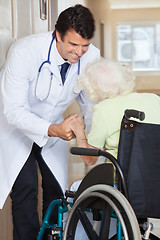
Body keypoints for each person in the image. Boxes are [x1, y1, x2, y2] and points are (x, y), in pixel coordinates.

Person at [0, 4, 100, 240]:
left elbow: (90, 103)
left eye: (84, 46)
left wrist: (88, 140)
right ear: (58, 35)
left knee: (56, 192)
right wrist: (53, 129)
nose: (79, 53)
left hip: (53, 128)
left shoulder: (91, 56)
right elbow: (13, 110)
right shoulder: (24, 51)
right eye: (73, 45)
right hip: (16, 129)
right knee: (26, 190)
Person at [69, 58, 160, 166]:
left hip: (123, 178)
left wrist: (78, 130)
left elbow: (90, 159)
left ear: (93, 88)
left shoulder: (103, 109)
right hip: (156, 174)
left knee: (78, 184)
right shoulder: (154, 99)